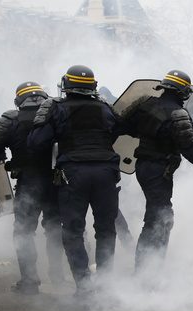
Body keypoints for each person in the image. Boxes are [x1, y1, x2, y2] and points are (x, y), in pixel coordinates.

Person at [28, 65, 128, 294]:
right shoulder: (104, 107)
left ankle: (84, 286)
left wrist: (45, 121)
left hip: (73, 174)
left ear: (66, 85)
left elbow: (36, 143)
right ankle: (104, 285)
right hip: (106, 172)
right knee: (106, 229)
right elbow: (119, 129)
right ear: (92, 86)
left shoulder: (56, 108)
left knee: (73, 231)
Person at [122, 70, 193, 270]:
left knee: (159, 215)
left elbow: (124, 126)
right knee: (159, 219)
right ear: (183, 92)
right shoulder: (178, 114)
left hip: (142, 166)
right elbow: (188, 146)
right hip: (159, 169)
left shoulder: (145, 105)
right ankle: (148, 269)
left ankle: (150, 265)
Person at [0, 82, 63, 294]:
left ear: (19, 100)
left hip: (29, 184)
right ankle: (58, 276)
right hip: (57, 183)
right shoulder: (57, 114)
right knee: (55, 229)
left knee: (24, 233)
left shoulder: (10, 119)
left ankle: (29, 282)